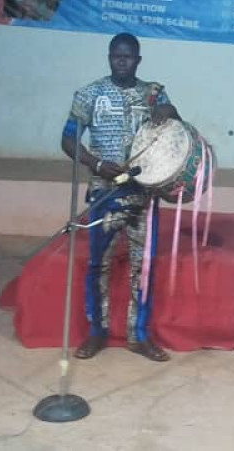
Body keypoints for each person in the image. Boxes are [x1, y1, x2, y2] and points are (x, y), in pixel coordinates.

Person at [61, 33, 179, 363]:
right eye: (116, 56)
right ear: (109, 57)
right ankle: (96, 332)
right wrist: (97, 164)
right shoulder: (89, 94)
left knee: (144, 265)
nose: (121, 61)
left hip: (144, 193)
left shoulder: (152, 93)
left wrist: (170, 110)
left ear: (138, 60)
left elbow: (174, 126)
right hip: (104, 193)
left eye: (128, 57)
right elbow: (68, 140)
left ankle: (139, 335)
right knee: (99, 263)